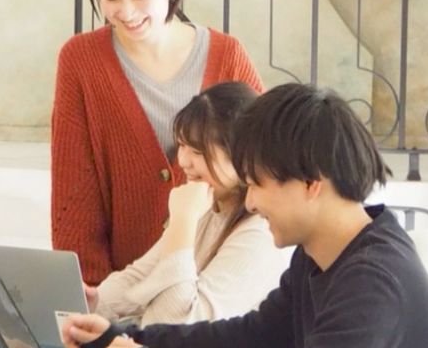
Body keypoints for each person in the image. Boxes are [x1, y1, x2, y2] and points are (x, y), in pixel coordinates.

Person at [61, 83, 428, 348]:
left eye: (258, 184)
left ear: (311, 183)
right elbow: (253, 338)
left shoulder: (375, 283)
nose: (251, 202)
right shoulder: (323, 253)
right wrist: (125, 341)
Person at [51, 0, 264, 285]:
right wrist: (90, 293)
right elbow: (74, 187)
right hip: (121, 288)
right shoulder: (81, 61)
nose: (126, 12)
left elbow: (266, 165)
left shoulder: (227, 55)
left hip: (211, 282)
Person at [89, 82, 290, 326]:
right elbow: (139, 277)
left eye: (197, 151)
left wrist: (183, 221)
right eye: (181, 146)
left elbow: (176, 324)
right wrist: (89, 305)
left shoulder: (261, 232)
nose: (183, 161)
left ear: (240, 156)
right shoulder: (207, 204)